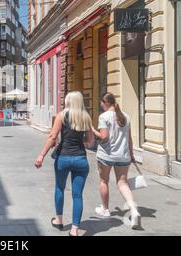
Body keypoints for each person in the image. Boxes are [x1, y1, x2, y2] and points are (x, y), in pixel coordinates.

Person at [35, 91, 94, 237]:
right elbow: (90, 142)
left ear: (68, 101)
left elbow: (52, 136)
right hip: (80, 159)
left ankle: (59, 220)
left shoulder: (61, 115)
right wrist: (81, 143)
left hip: (63, 158)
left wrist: (41, 155)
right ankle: (74, 229)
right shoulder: (86, 117)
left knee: (59, 189)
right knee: (77, 195)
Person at [92, 92, 141, 229]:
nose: (101, 105)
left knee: (103, 181)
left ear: (106, 103)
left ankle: (105, 209)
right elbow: (129, 138)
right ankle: (133, 210)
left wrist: (92, 130)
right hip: (123, 155)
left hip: (106, 155)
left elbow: (104, 137)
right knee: (122, 183)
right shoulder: (125, 116)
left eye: (101, 102)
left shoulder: (104, 116)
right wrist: (131, 155)